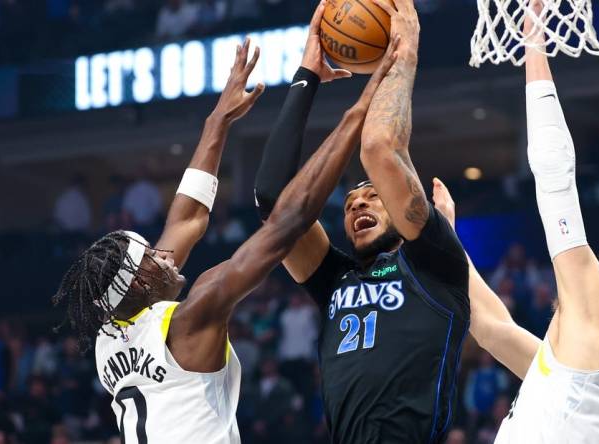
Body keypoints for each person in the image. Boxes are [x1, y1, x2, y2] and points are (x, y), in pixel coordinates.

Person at [51, 36, 398, 443]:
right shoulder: (192, 316)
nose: (165, 256)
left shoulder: (109, 333)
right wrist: (360, 109)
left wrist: (217, 121)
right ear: (142, 283)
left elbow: (188, 219)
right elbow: (289, 221)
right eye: (152, 256)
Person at [432, 4, 599, 442]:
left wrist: (534, 43)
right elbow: (492, 330)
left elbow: (556, 184)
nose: (581, 276)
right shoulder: (584, 366)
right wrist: (448, 239)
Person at [253, 1, 469, 441]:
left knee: (376, 152)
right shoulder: (337, 278)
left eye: (372, 195)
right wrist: (307, 76)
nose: (357, 206)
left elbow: (379, 149)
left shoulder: (433, 263)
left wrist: (404, 49)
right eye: (350, 204)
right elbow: (273, 201)